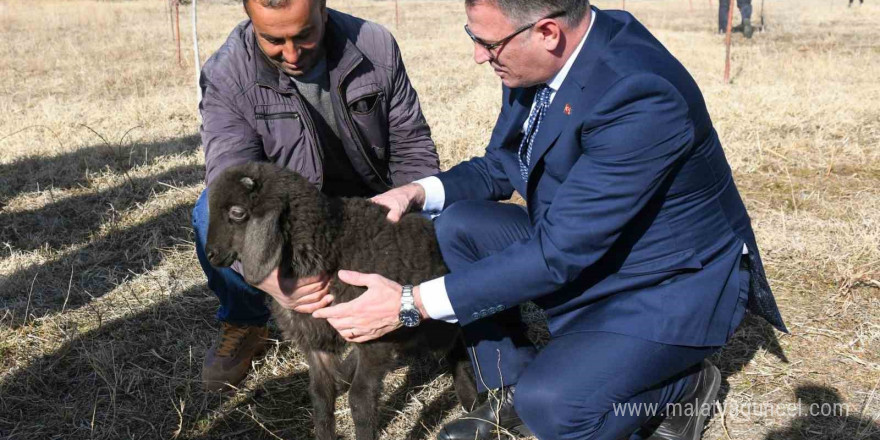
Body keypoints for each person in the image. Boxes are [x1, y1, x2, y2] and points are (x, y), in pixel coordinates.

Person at [311, 0, 788, 439]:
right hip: (594, 247)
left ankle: (681, 388)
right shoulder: (543, 63)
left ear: (547, 32)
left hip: (666, 283)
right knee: (458, 224)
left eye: (487, 43)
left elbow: (558, 252)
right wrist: (417, 191)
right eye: (472, 36)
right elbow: (504, 162)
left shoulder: (639, 95)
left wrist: (411, 303)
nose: (479, 56)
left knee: (555, 408)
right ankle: (505, 388)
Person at [192, 0, 439, 392]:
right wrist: (265, 277)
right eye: (273, 39)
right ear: (250, 18)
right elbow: (230, 177)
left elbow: (412, 149)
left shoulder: (374, 46)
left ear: (323, 9)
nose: (291, 54)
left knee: (446, 213)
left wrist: (410, 215)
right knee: (209, 213)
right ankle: (246, 319)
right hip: (293, 216)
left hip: (371, 203)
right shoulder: (227, 73)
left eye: (304, 35)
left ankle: (429, 309)